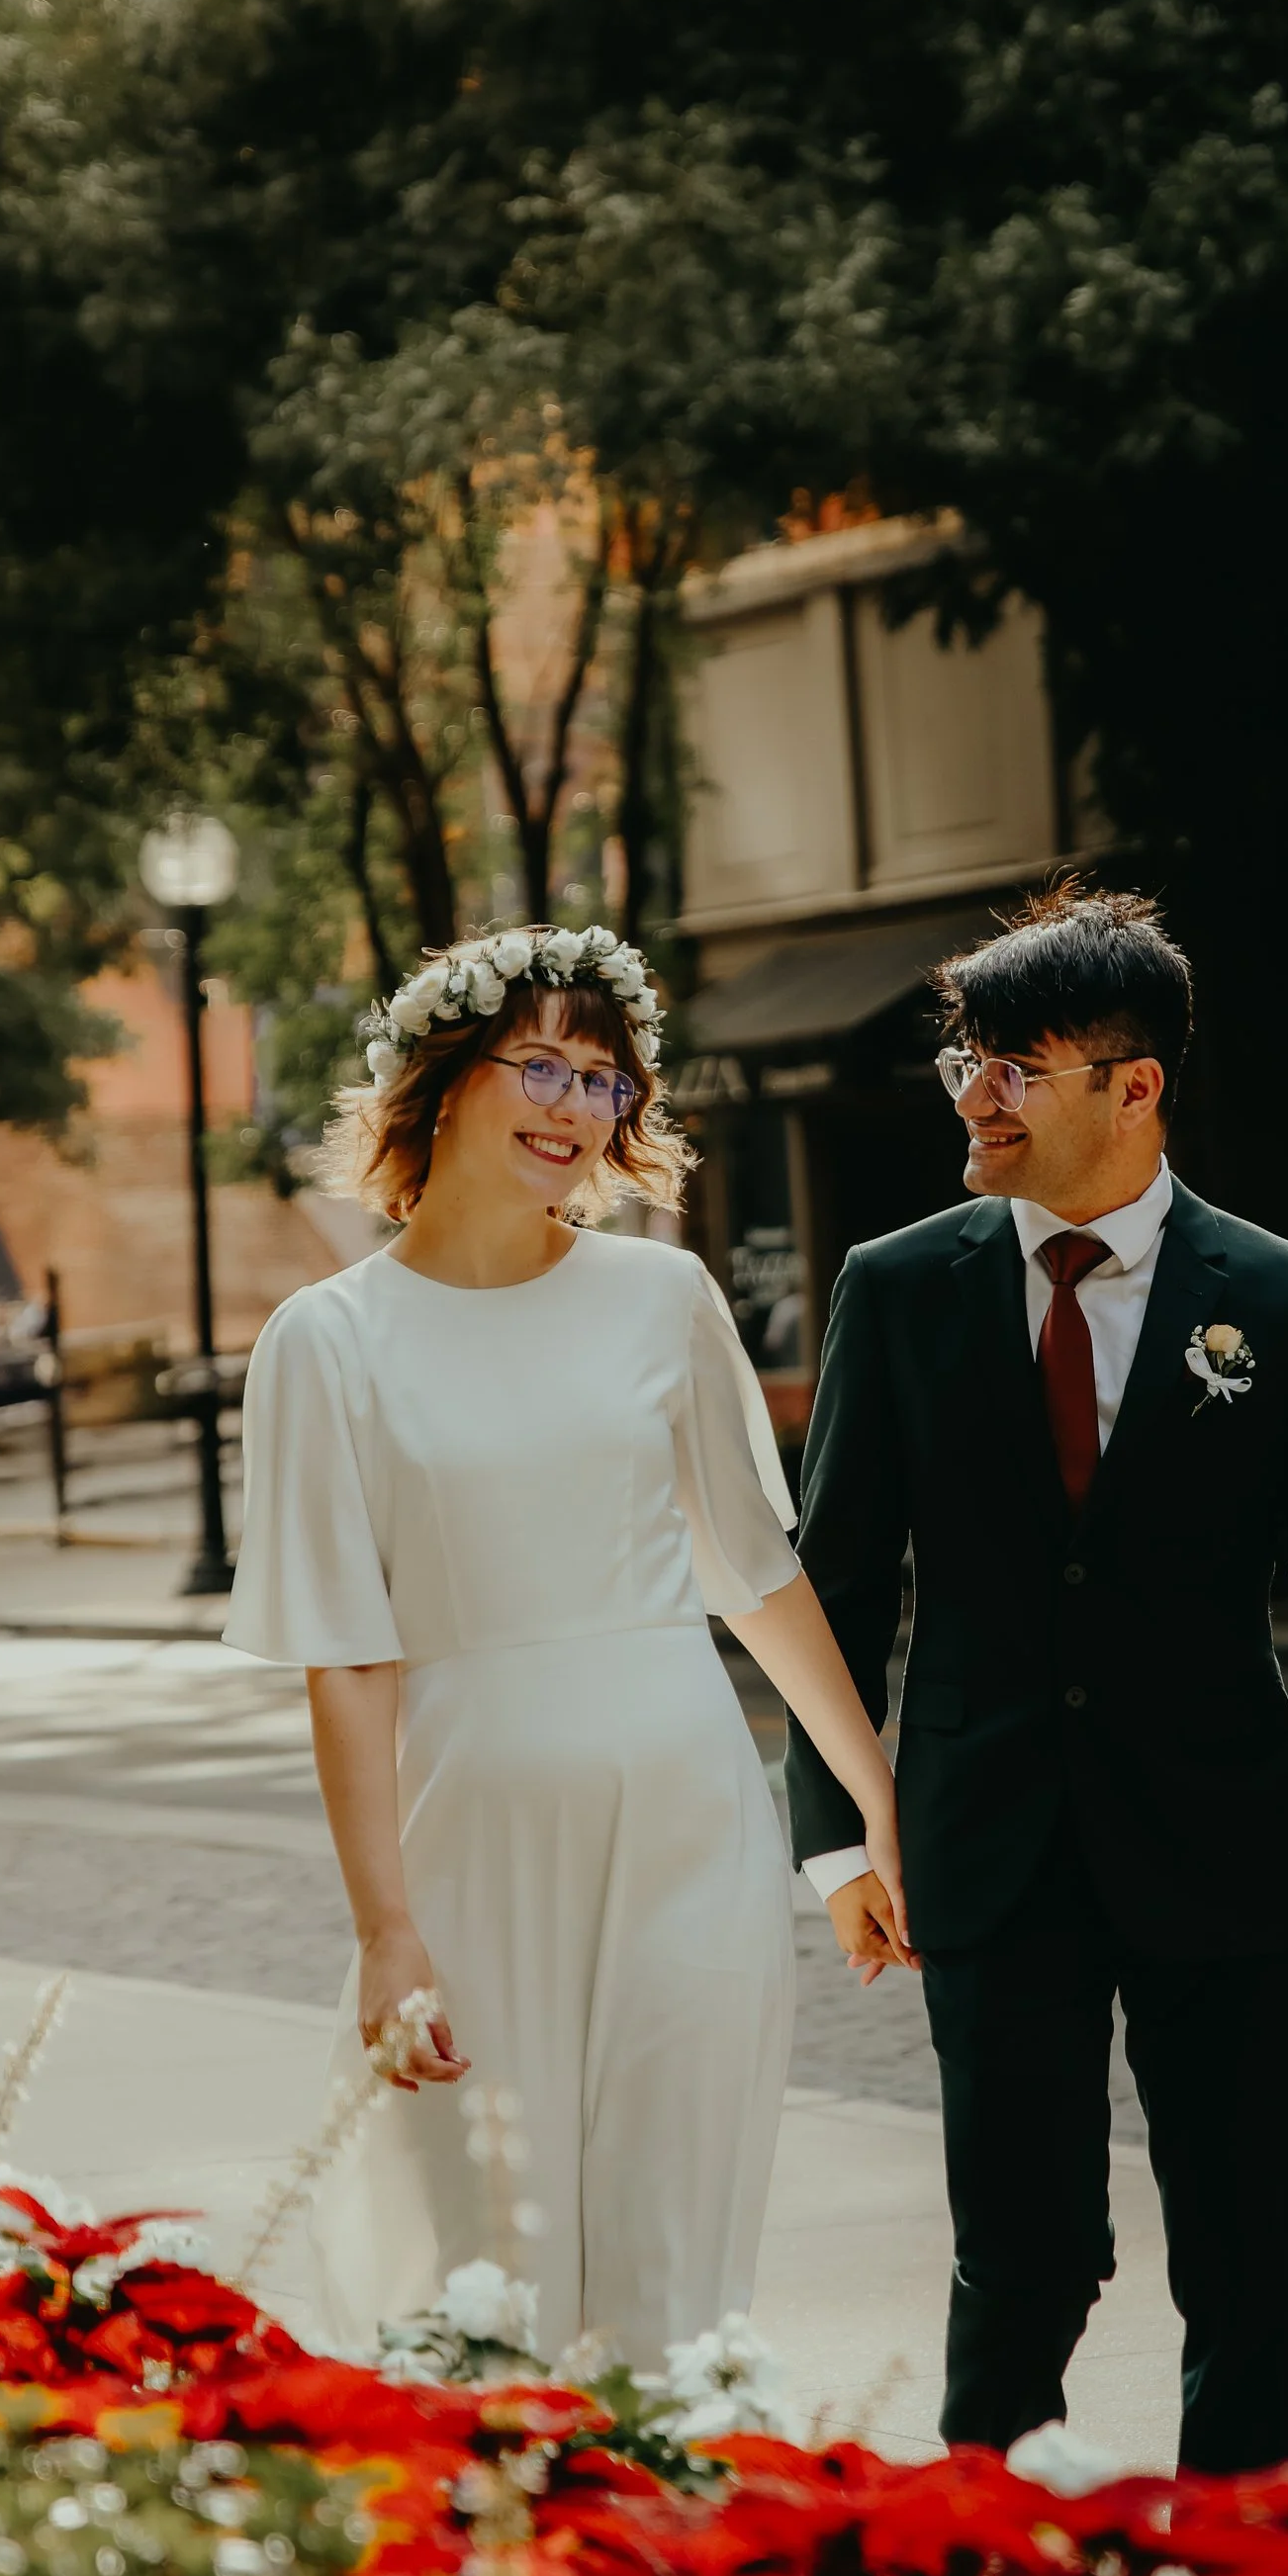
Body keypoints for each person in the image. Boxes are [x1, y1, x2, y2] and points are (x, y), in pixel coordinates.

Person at [787, 887, 1288, 2475]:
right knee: (1020, 2251)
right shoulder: (897, 1286)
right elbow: (831, 1584)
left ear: (1132, 1085)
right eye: (968, 1062)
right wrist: (836, 1833)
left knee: (1257, 2266)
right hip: (980, 1846)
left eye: (1017, 1066)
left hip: (1218, 1845)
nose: (978, 1095)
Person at [225, 926, 909, 2368]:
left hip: (688, 1825)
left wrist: (873, 1806)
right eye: (538, 1063)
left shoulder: (664, 1298)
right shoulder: (325, 1342)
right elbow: (347, 1659)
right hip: (471, 1844)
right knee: (492, 2272)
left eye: (603, 1079)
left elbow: (757, 1577)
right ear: (444, 1080)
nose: (572, 1105)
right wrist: (384, 1928)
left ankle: (679, 2557)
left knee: (672, 2270)